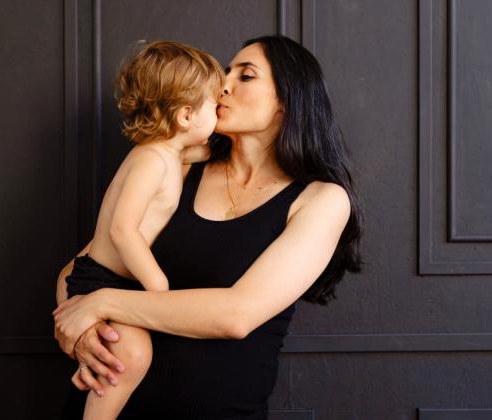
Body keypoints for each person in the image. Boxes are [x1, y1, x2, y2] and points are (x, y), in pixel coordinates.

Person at [54, 34, 364, 419]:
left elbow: (236, 315)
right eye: (225, 72)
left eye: (245, 76)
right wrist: (81, 332)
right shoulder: (178, 167)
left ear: (286, 101)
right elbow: (80, 267)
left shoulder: (320, 200)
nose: (223, 85)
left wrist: (101, 303)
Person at [56, 40, 225, 419]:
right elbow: (122, 229)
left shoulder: (172, 153)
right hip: (100, 278)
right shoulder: (152, 160)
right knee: (132, 354)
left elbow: (207, 150)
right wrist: (157, 286)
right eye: (215, 106)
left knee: (122, 352)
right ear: (186, 116)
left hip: (119, 282)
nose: (220, 112)